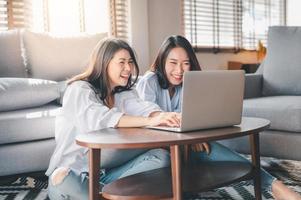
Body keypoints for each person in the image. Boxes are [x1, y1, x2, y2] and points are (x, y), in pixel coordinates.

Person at [136, 35, 301, 200]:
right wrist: (190, 138)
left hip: (185, 146)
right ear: (162, 61)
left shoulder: (189, 82)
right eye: (173, 63)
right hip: (159, 151)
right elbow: (152, 121)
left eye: (185, 63)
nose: (179, 70)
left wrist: (193, 136)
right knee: (209, 154)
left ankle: (275, 186)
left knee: (216, 151)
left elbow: (192, 118)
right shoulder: (149, 81)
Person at [46, 38, 181, 200]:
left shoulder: (123, 92)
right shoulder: (79, 89)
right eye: (122, 62)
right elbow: (101, 118)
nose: (128, 68)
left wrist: (162, 116)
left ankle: (108, 194)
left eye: (130, 62)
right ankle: (116, 195)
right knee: (62, 178)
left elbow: (143, 108)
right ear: (104, 63)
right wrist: (150, 121)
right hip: (75, 174)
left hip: (108, 174)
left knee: (161, 156)